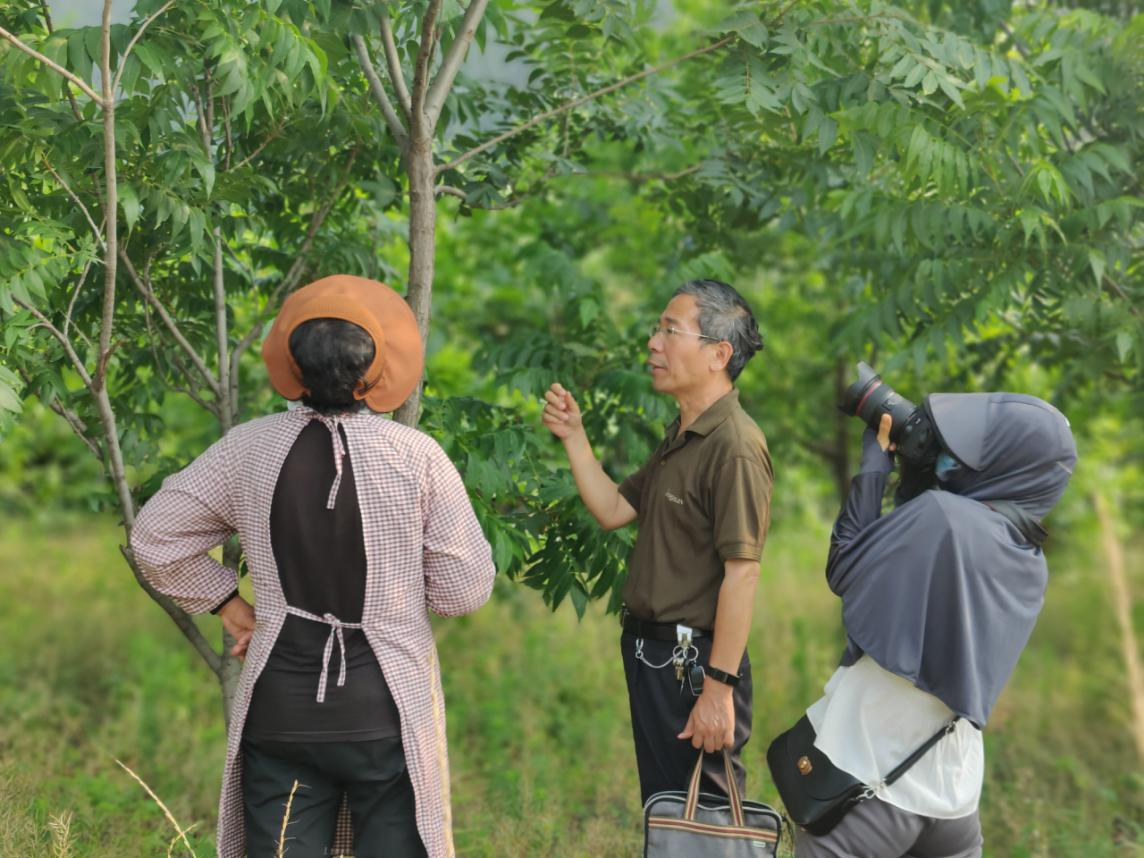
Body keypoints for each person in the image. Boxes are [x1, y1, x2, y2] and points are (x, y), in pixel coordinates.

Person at [131, 274, 495, 858]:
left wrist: (231, 606)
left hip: (280, 708)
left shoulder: (247, 448)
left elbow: (154, 536)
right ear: (377, 372)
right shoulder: (417, 457)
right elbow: (464, 590)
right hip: (385, 710)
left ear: (292, 370)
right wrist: (399, 591)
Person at [795, 393, 1077, 858]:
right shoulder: (1030, 561)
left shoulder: (943, 518)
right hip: (954, 794)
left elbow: (844, 568)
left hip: (875, 776)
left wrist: (874, 469)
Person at [542, 278, 772, 803]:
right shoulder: (683, 434)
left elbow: (744, 572)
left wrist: (719, 687)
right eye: (657, 329)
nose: (653, 342)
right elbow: (614, 509)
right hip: (653, 654)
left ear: (719, 354)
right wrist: (575, 437)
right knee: (667, 809)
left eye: (671, 331)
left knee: (703, 821)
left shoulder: (733, 445)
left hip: (694, 665)